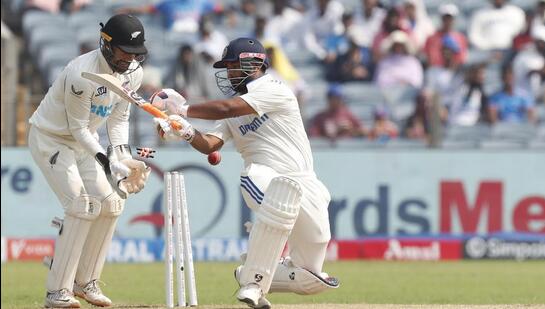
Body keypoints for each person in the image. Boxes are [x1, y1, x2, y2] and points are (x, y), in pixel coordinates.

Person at [151, 38, 339, 309]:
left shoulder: (274, 88)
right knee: (277, 203)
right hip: (261, 175)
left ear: (252, 64)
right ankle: (253, 283)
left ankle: (251, 271)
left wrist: (182, 110)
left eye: (231, 66)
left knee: (311, 279)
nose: (227, 74)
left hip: (304, 182)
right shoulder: (233, 111)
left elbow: (227, 108)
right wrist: (185, 131)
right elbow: (210, 145)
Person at [27, 14, 151, 308]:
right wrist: (108, 163)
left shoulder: (133, 73)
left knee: (111, 204)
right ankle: (57, 292)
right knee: (81, 205)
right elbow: (77, 128)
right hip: (51, 138)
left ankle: (86, 282)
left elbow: (120, 118)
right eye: (124, 51)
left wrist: (121, 157)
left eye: (135, 53)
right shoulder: (81, 73)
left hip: (85, 143)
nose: (129, 59)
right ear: (107, 45)